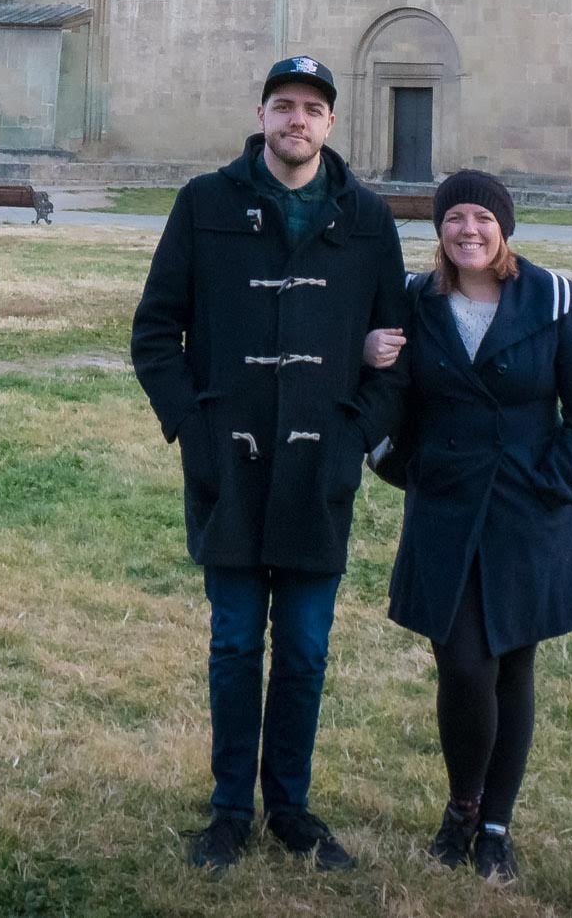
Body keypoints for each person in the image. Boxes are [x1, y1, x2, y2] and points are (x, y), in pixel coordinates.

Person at [130, 56, 411, 875]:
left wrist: (357, 434)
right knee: (233, 644)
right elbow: (156, 332)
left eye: (312, 109)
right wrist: (194, 426)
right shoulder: (205, 204)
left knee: (305, 649)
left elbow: (397, 351)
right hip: (231, 463)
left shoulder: (366, 218)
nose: (297, 120)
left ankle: (290, 806)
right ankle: (229, 810)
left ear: (331, 123)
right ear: (261, 116)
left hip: (321, 468)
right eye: (283, 105)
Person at [368, 169, 572, 886]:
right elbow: (386, 395)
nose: (467, 230)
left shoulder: (551, 299)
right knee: (463, 667)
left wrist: (552, 484)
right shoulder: (416, 301)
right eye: (454, 218)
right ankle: (463, 805)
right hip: (446, 509)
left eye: (481, 218)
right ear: (439, 229)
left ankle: (495, 827)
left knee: (511, 663)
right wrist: (399, 463)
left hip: (526, 513)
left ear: (504, 228)